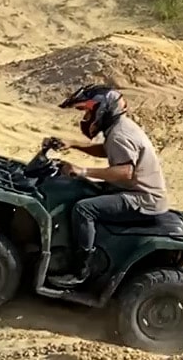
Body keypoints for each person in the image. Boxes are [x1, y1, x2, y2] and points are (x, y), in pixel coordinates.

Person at [47, 84, 173, 288]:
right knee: (83, 188)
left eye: (88, 112)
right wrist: (73, 144)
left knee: (84, 209)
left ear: (103, 109)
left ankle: (81, 271)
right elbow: (108, 149)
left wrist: (82, 171)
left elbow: (125, 172)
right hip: (132, 190)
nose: (86, 117)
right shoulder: (119, 127)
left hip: (142, 198)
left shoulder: (119, 134)